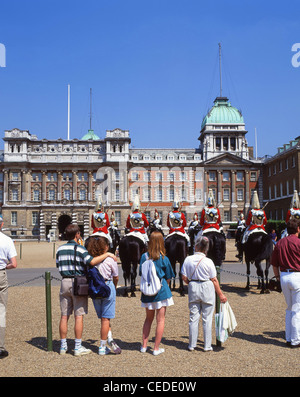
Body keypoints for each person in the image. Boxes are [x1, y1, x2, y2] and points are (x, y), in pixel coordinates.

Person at [56, 223, 117, 356]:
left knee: (64, 315)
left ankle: (63, 346)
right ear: (77, 234)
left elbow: (57, 265)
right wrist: (107, 255)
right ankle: (77, 347)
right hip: (78, 282)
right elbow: (92, 262)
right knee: (79, 315)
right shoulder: (80, 249)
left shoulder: (59, 249)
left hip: (64, 281)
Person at [181, 235, 227, 352]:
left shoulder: (188, 259)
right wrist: (220, 294)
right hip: (207, 286)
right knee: (207, 317)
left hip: (194, 285)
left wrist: (189, 283)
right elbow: (214, 279)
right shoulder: (209, 261)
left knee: (193, 317)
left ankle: (192, 344)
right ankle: (207, 345)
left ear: (196, 246)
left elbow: (184, 277)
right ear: (206, 248)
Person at [139, 231, 175, 356]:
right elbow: (169, 276)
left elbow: (141, 273)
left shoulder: (144, 257)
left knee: (148, 319)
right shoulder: (164, 258)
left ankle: (144, 346)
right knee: (160, 320)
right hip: (161, 290)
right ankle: (155, 348)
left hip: (147, 291)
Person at [85, 235, 121, 355]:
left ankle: (109, 339)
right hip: (107, 286)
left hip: (94, 289)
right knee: (106, 319)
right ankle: (102, 346)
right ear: (105, 247)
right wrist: (114, 287)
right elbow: (116, 277)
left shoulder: (90, 260)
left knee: (103, 318)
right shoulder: (110, 260)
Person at [271, 219, 300, 348]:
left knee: (289, 308)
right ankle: (295, 339)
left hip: (283, 276)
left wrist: (277, 277)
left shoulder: (280, 243)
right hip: (296, 275)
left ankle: (289, 337)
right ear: (298, 229)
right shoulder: (298, 242)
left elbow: (274, 263)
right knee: (296, 309)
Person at [0, 215, 17, 359]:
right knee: (1, 310)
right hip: (0, 274)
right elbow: (14, 264)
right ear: (2, 224)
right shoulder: (6, 240)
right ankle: (0, 347)